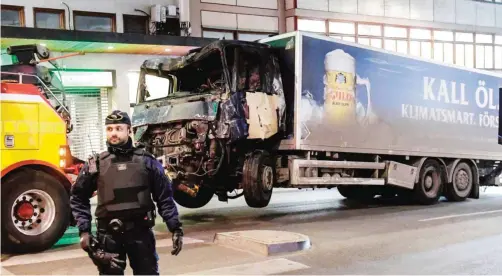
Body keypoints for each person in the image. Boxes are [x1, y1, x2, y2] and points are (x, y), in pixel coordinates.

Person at [70, 110, 183, 275]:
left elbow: (164, 198)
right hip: (109, 236)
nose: (113, 133)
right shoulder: (96, 165)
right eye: (109, 129)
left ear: (129, 130)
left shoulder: (147, 162)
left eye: (118, 128)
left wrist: (175, 228)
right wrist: (84, 231)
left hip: (141, 233)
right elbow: (78, 197)